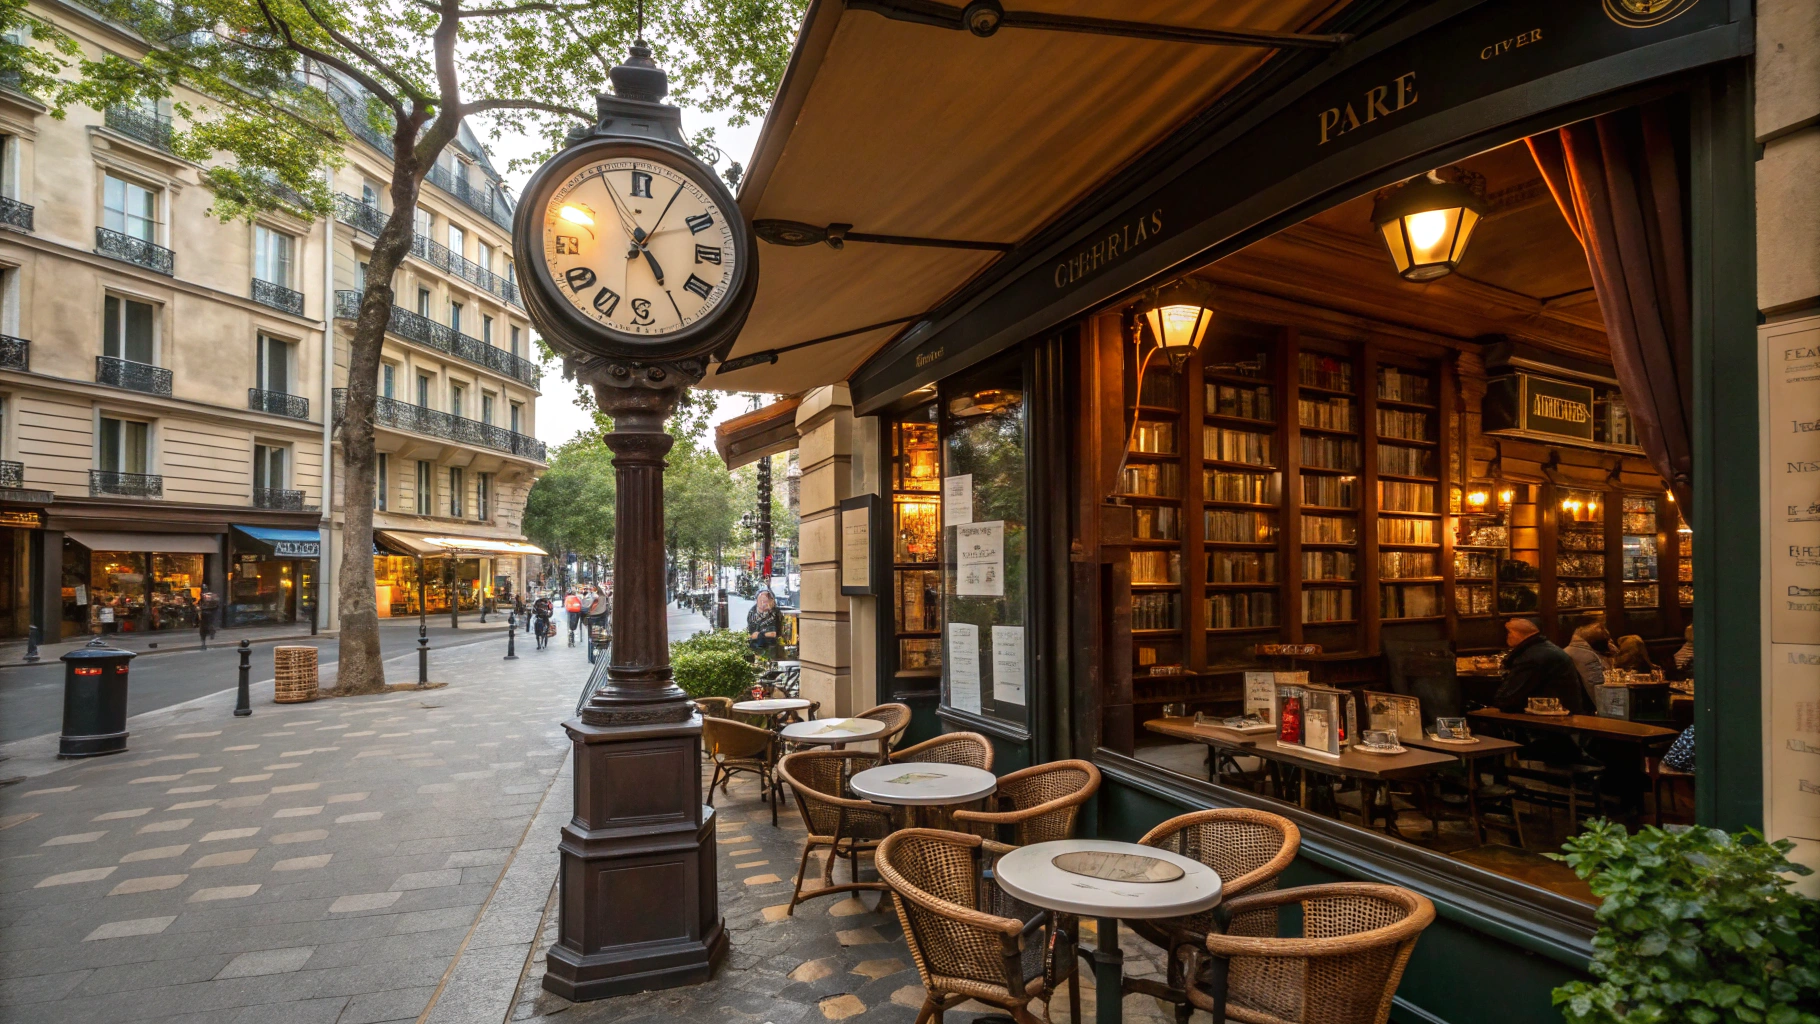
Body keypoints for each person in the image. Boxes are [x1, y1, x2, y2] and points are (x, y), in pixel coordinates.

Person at [1491, 616, 1585, 714]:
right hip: (1564, 711)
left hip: (1555, 718)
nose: (1507, 637)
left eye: (1509, 632)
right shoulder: (1542, 648)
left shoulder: (1532, 657)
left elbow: (1505, 700)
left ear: (1518, 634)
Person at [1564, 621, 1613, 705]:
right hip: (1587, 709)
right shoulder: (1589, 656)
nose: (1610, 641)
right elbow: (1596, 688)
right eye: (1607, 639)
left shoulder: (1568, 650)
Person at [746, 589, 782, 662]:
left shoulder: (775, 612)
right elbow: (751, 633)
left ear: (772, 602)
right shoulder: (752, 612)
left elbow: (774, 633)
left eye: (765, 602)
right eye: (760, 602)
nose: (763, 604)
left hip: (771, 646)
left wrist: (760, 634)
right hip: (755, 646)